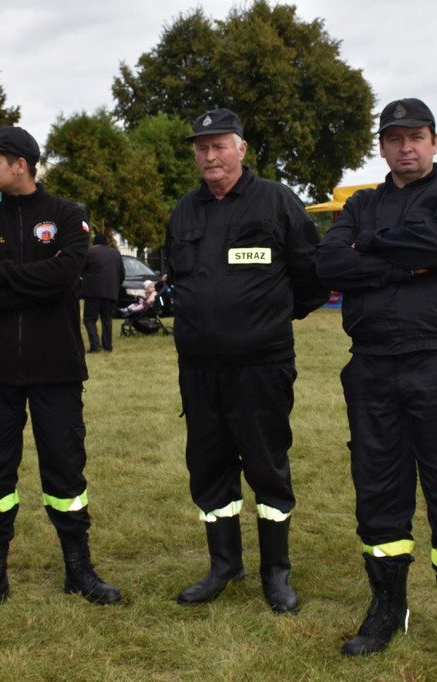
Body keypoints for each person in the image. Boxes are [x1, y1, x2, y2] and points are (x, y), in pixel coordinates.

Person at [314, 98, 437, 676]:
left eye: (416, 137)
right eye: (394, 139)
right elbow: (329, 265)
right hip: (370, 367)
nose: (405, 147)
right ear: (382, 147)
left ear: (434, 142)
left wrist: (372, 249)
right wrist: (404, 260)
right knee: (378, 493)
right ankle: (387, 607)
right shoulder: (361, 203)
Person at [0, 124, 121, 619]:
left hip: (56, 370)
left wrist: (1, 275)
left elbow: (66, 273)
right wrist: (31, 282)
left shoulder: (68, 216)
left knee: (66, 472)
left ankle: (79, 570)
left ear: (20, 164)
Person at [166, 108, 329, 615]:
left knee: (266, 465)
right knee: (209, 467)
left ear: (241, 149)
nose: (209, 155)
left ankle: (275, 571)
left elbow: (312, 277)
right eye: (201, 147)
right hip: (199, 368)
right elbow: (179, 280)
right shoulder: (184, 212)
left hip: (261, 365)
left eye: (219, 145)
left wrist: (268, 319)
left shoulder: (276, 201)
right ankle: (224, 564)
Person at [80, 232, 125, 353]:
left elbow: (80, 270)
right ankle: (108, 346)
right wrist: (115, 286)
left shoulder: (89, 252)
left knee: (89, 319)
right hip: (110, 292)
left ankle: (95, 345)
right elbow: (122, 273)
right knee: (107, 320)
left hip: (92, 292)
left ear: (94, 243)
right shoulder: (116, 253)